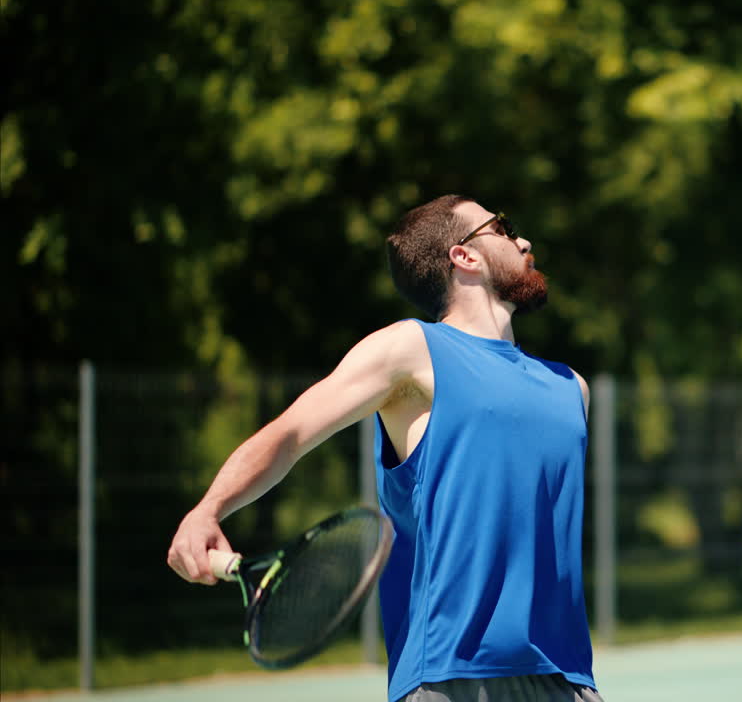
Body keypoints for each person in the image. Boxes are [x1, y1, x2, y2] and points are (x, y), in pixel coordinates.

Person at [167, 194, 602, 702]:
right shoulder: (412, 350)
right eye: (502, 228)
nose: (523, 240)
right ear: (464, 255)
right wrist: (208, 510)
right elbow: (288, 435)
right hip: (451, 675)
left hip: (567, 678)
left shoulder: (571, 387)